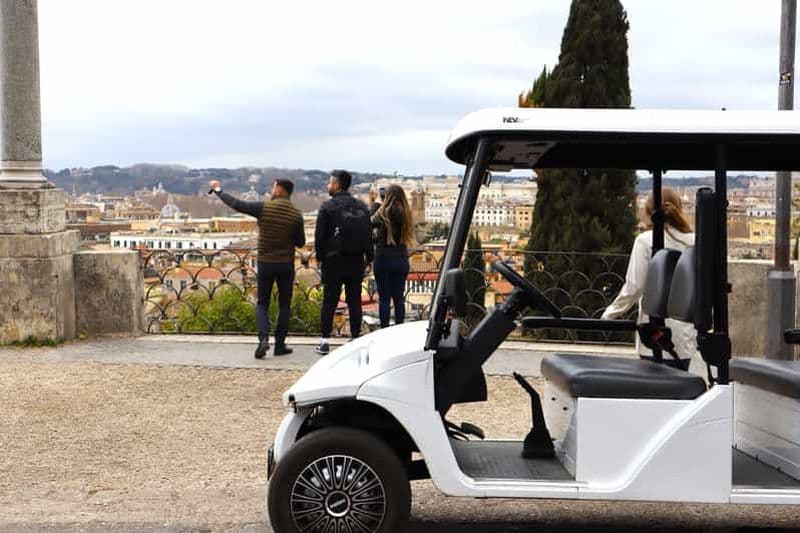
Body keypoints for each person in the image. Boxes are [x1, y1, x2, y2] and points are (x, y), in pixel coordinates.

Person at [209, 179, 305, 358]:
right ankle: (280, 345)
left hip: (265, 262)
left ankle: (263, 340)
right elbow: (301, 242)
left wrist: (218, 190)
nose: (271, 189)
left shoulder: (264, 208)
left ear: (279, 190)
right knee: (285, 305)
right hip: (285, 264)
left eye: (274, 186)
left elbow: (238, 204)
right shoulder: (296, 215)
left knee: (262, 303)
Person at [602, 187, 696, 363]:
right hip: (684, 336)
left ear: (648, 211)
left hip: (652, 335)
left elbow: (634, 287)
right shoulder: (694, 241)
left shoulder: (645, 241)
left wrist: (610, 314)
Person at [314, 170, 374, 355]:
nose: (328, 186)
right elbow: (368, 234)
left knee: (329, 302)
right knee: (354, 301)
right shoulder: (362, 207)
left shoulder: (327, 207)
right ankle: (355, 339)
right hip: (356, 260)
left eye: (330, 183)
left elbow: (319, 237)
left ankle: (325, 341)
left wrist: (320, 257)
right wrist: (369, 258)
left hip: (333, 260)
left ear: (337, 185)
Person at [372, 185, 415, 328]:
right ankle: (399, 328)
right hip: (401, 258)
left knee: (384, 298)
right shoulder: (407, 214)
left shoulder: (383, 213)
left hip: (383, 258)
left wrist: (377, 203)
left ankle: (384, 329)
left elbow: (368, 221)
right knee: (399, 298)